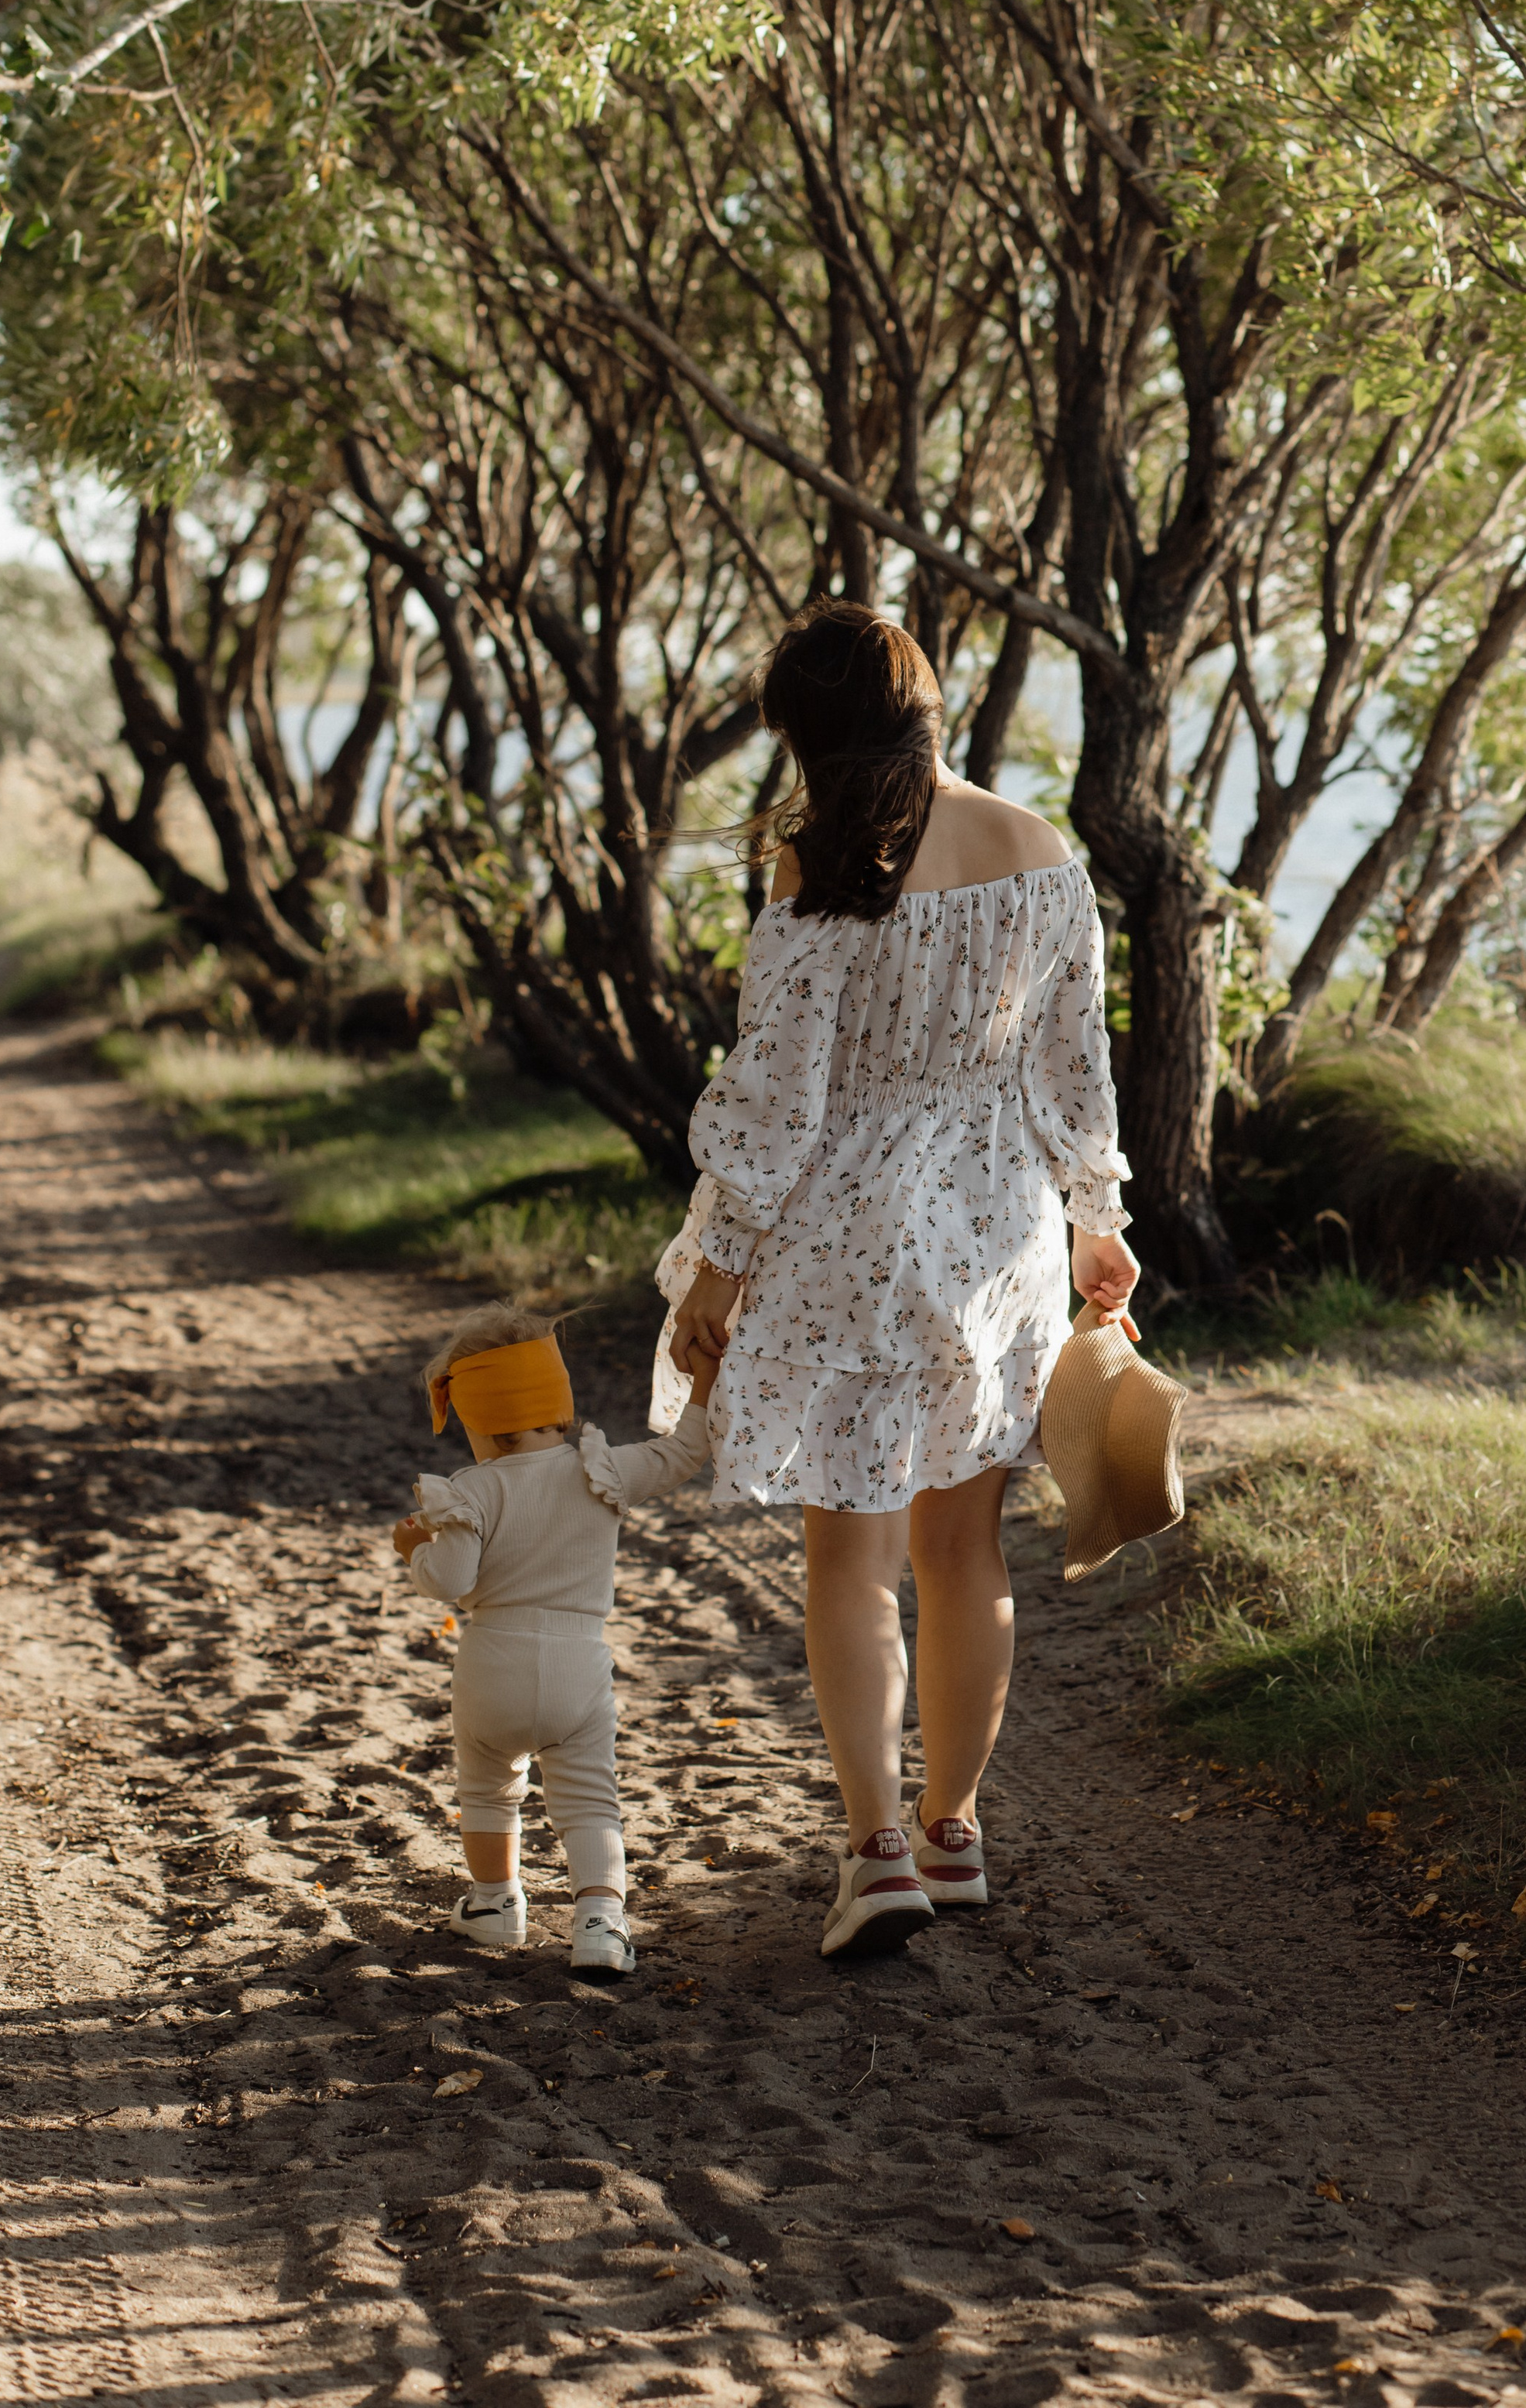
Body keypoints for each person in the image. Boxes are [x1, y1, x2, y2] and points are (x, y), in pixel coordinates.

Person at [655, 600, 1139, 1958]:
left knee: (849, 1558)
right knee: (965, 1549)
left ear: (807, 735)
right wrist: (1096, 1219)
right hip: (996, 1238)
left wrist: (719, 1267)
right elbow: (1070, 1071)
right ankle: (954, 1831)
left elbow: (780, 1103)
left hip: (839, 1251)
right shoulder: (1038, 851)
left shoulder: (817, 869)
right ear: (930, 705)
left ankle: (873, 1852)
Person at [393, 1300, 711, 1968]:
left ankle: (494, 1905)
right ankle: (599, 1924)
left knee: (485, 1788)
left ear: (476, 1418)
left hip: (491, 1663)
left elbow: (449, 1580)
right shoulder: (603, 1470)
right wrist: (704, 1384)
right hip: (578, 1662)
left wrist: (414, 1551)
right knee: (592, 1795)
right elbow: (687, 1451)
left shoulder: (470, 1490)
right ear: (557, 1402)